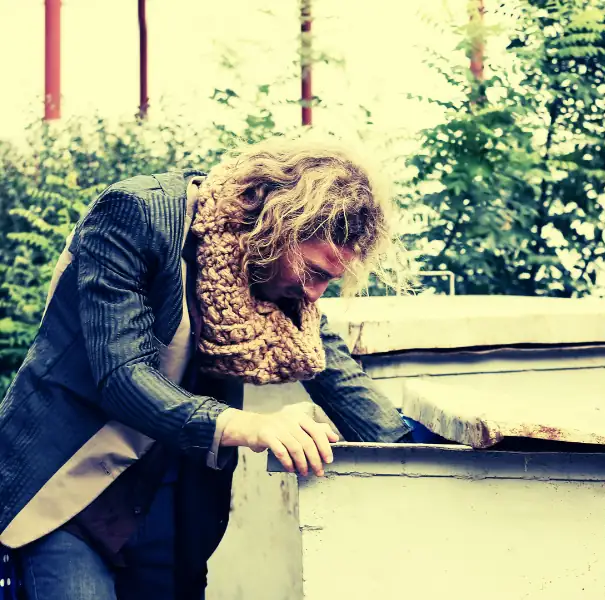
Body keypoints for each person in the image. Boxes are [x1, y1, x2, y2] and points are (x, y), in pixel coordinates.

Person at [0, 136, 416, 599]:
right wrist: (250, 427)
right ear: (277, 227)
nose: (316, 294)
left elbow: (328, 363)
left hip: (172, 506)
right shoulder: (135, 215)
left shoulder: (273, 275)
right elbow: (123, 376)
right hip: (69, 491)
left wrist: (418, 453)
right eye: (315, 273)